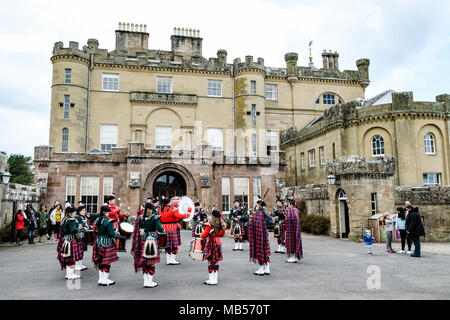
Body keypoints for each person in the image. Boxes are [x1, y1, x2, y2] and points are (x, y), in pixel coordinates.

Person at [131, 201, 165, 288]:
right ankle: (150, 282)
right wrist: (162, 229)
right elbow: (160, 229)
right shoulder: (155, 217)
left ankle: (145, 282)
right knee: (151, 262)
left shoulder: (140, 218)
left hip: (142, 240)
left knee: (145, 262)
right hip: (152, 240)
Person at [159, 196, 191, 265]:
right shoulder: (173, 209)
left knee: (167, 245)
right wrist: (188, 213)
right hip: (172, 228)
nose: (171, 202)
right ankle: (172, 260)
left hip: (164, 228)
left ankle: (168, 260)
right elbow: (180, 216)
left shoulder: (159, 210)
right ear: (168, 203)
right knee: (174, 245)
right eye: (170, 202)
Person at [92, 205, 118, 286]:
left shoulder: (97, 220)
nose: (108, 214)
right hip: (107, 242)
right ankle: (105, 280)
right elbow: (110, 233)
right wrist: (115, 233)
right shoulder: (109, 221)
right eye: (108, 212)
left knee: (100, 260)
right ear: (105, 212)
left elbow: (94, 230)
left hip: (98, 241)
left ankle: (100, 279)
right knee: (107, 261)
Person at [56, 206, 82, 280]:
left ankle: (68, 274)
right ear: (71, 213)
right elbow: (73, 230)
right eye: (74, 211)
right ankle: (70, 274)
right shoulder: (71, 220)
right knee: (71, 257)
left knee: (67, 257)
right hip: (71, 239)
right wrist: (79, 228)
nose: (75, 213)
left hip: (64, 239)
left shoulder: (65, 218)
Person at [200, 210, 226, 285]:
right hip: (218, 242)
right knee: (216, 261)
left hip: (210, 242)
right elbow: (222, 235)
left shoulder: (210, 224)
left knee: (210, 261)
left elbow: (203, 235)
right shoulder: (222, 224)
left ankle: (211, 280)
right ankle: (215, 280)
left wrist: (205, 226)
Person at [248, 200, 271, 276]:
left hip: (258, 235)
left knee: (260, 250)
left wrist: (250, 219)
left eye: (257, 204)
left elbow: (254, 222)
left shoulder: (259, 213)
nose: (256, 206)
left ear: (260, 205)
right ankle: (267, 268)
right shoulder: (262, 213)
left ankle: (261, 268)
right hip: (263, 234)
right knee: (264, 250)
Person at [74, 206, 89, 271]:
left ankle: (80, 264)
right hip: (79, 235)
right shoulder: (77, 217)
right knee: (79, 250)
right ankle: (77, 264)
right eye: (83, 210)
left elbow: (85, 224)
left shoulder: (83, 217)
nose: (84, 211)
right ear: (79, 211)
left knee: (82, 250)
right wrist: (84, 227)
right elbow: (79, 225)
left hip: (84, 235)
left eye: (84, 210)